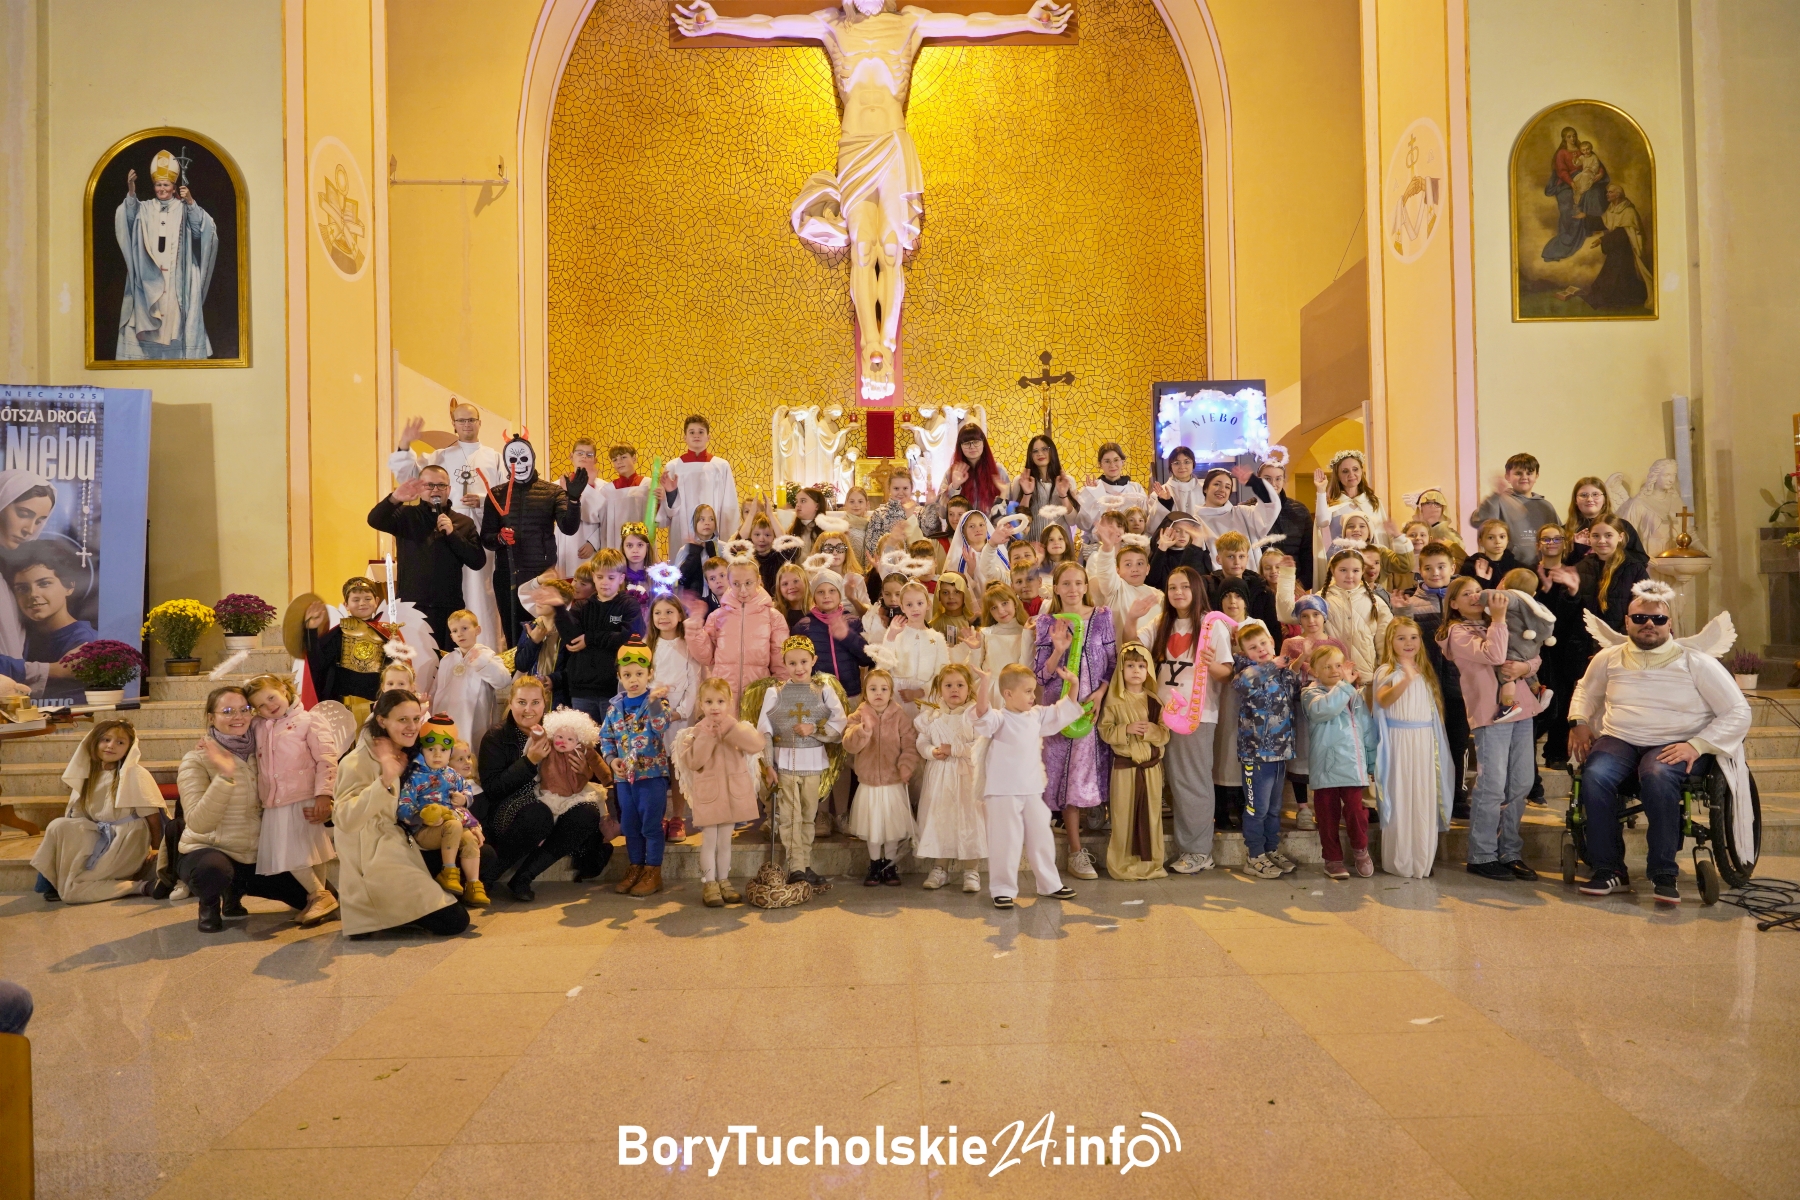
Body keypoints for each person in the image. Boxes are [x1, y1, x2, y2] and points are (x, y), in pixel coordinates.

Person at [1568, 584, 1752, 904]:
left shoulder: (1696, 662)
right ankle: (1610, 869)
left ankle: (1663, 871)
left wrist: (1697, 745)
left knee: (1656, 774)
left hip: (1676, 742)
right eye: (1639, 617)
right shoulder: (1608, 657)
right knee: (1595, 776)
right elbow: (1586, 690)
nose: (1648, 624)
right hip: (1620, 739)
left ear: (1670, 624)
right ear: (1626, 622)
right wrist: (1579, 721)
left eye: (1656, 618)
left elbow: (1737, 710)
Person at [333, 690, 471, 937]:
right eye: (402, 720)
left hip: (411, 837)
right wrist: (384, 780)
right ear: (382, 720)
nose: (412, 726)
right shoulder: (356, 761)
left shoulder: (413, 750)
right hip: (375, 856)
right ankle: (384, 914)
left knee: (484, 855)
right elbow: (344, 819)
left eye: (416, 719)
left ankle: (405, 911)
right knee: (456, 921)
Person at [174, 687, 313, 932]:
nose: (237, 717)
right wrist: (225, 776)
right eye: (227, 711)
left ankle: (235, 889)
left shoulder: (263, 752)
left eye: (244, 709)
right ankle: (209, 904)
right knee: (213, 871)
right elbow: (197, 822)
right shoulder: (195, 759)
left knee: (313, 897)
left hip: (256, 855)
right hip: (210, 849)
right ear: (211, 717)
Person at [1443, 579, 1541, 882]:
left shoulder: (1499, 623)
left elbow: (1532, 651)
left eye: (1477, 590)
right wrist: (1498, 619)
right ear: (1454, 604)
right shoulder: (1457, 633)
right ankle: (1482, 854)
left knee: (1521, 783)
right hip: (1491, 715)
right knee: (1493, 784)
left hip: (1522, 709)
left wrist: (1525, 669)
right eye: (1465, 594)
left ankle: (1510, 851)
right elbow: (1496, 656)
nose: (1474, 596)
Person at [477, 676, 608, 900]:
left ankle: (524, 877)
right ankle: (488, 877)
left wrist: (585, 771)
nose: (528, 709)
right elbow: (493, 788)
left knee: (587, 813)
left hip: (558, 797)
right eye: (521, 702)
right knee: (539, 814)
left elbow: (587, 764)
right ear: (510, 702)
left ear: (545, 703)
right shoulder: (496, 737)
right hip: (512, 806)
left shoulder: (559, 730)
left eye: (535, 702)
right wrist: (528, 761)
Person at [390, 405, 505, 649]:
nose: (466, 424)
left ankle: (483, 647)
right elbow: (408, 477)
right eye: (461, 420)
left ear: (479, 423)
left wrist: (484, 501)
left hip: (480, 530)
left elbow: (508, 495)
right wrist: (404, 446)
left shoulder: (494, 457)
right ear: (453, 423)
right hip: (443, 534)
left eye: (471, 419)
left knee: (480, 592)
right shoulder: (439, 456)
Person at [971, 662, 1084, 909]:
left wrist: (1073, 684)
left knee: (1041, 836)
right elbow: (982, 713)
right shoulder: (1000, 719)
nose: (1034, 696)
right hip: (1002, 791)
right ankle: (1002, 889)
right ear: (1008, 694)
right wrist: (984, 683)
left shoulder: (1037, 716)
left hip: (1032, 788)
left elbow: (1063, 710)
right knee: (1005, 840)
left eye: (1034, 691)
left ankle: (1049, 884)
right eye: (1028, 691)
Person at [1033, 562, 1117, 880]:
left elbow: (1111, 661)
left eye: (1077, 583)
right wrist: (1057, 651)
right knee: (1065, 780)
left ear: (1085, 586)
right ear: (1055, 588)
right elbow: (1041, 673)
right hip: (1058, 710)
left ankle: (1091, 832)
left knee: (1085, 775)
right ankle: (1074, 850)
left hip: (1091, 709)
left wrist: (1100, 693)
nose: (1071, 589)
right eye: (1065, 583)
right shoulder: (1047, 622)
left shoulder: (1102, 617)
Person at [32, 720, 164, 904]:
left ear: (128, 748)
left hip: (125, 838)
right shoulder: (89, 773)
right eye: (106, 739)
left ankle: (140, 886)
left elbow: (152, 815)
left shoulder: (135, 773)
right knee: (57, 825)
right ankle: (54, 882)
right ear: (94, 742)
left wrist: (157, 847)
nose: (111, 746)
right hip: (98, 833)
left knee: (71, 892)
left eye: (120, 742)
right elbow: (77, 814)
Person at [245, 674, 341, 927]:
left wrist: (324, 794)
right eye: (261, 705)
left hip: (304, 797)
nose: (269, 707)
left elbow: (326, 759)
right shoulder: (258, 725)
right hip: (275, 799)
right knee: (297, 852)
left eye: (271, 697)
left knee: (298, 852)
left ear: (283, 689)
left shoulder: (309, 720)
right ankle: (321, 900)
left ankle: (319, 896)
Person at [756, 636, 848, 886]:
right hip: (785, 763)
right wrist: (768, 765)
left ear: (814, 661)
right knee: (790, 816)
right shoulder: (774, 693)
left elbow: (840, 724)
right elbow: (763, 729)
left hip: (812, 763)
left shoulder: (824, 691)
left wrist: (815, 729)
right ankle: (795, 867)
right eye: (792, 662)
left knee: (808, 816)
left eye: (804, 662)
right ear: (784, 664)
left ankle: (804, 865)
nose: (799, 668)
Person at [112, 149, 219, 360]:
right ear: (154, 186)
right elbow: (128, 218)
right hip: (148, 278)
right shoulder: (146, 207)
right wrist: (131, 192)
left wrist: (190, 202)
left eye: (166, 185)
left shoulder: (183, 208)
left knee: (173, 323)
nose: (162, 189)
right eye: (158, 185)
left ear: (173, 187)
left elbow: (201, 231)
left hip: (176, 277)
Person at [367, 466, 486, 650]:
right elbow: (374, 520)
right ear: (421, 489)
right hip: (413, 605)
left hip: (449, 607)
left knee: (447, 663)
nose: (435, 490)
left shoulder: (463, 522)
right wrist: (395, 498)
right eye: (429, 485)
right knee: (415, 664)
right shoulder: (406, 516)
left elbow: (477, 561)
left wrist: (453, 534)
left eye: (440, 485)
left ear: (448, 489)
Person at [480, 434, 585, 641]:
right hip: (507, 575)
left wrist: (573, 500)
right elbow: (486, 538)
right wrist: (500, 538)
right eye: (512, 460)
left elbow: (569, 527)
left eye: (523, 459)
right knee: (513, 635)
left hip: (541, 575)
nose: (518, 465)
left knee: (545, 634)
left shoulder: (552, 492)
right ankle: (517, 672)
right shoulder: (496, 494)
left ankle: (545, 674)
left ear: (533, 458)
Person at [672, 677, 764, 906]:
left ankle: (724, 880)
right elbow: (693, 762)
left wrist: (731, 729)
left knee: (726, 841)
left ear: (729, 703)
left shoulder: (736, 727)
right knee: (709, 840)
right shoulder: (695, 732)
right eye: (709, 701)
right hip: (710, 795)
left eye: (720, 701)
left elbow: (756, 745)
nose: (715, 707)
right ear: (701, 705)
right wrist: (707, 737)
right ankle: (709, 883)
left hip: (732, 794)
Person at [1373, 619, 1454, 878]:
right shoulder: (1386, 671)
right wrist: (1406, 679)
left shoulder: (1425, 671)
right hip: (1399, 743)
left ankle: (1422, 860)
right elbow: (1383, 701)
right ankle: (1400, 861)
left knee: (1422, 797)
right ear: (1390, 642)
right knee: (1401, 797)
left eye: (1413, 637)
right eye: (1401, 638)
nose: (1408, 643)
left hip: (1423, 743)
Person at [1152, 567, 1219, 873]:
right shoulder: (1162, 622)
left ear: (1196, 589)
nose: (1178, 592)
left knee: (1193, 782)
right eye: (1172, 587)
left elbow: (1226, 672)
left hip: (1196, 714)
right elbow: (1132, 644)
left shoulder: (1210, 623)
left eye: (1184, 587)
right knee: (1176, 783)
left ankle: (1199, 852)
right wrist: (1128, 618)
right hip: (1164, 711)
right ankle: (1188, 848)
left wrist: (1212, 665)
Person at [599, 638, 675, 897]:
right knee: (630, 826)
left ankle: (653, 871)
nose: (634, 679)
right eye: (627, 674)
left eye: (640, 674)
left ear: (650, 674)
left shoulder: (657, 703)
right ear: (619, 675)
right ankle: (636, 867)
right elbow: (606, 739)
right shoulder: (614, 708)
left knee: (650, 825)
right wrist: (611, 761)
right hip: (624, 780)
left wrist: (654, 700)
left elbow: (662, 725)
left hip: (651, 776)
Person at [1232, 620, 1301, 880]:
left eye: (1263, 643)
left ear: (1272, 642)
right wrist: (1272, 665)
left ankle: (1271, 849)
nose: (1260, 649)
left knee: (1274, 809)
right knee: (1256, 809)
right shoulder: (1247, 671)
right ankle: (1255, 855)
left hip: (1281, 753)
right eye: (1252, 647)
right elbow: (1241, 685)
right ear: (1244, 653)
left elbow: (1297, 694)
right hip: (1255, 754)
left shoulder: (1284, 672)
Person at [395, 716, 488, 905]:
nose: (438, 755)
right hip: (425, 830)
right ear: (422, 750)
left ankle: (473, 884)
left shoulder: (452, 775)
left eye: (443, 750)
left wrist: (464, 799)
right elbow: (403, 806)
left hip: (451, 826)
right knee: (454, 825)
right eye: (431, 750)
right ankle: (448, 871)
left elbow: (467, 790)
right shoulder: (414, 777)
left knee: (469, 839)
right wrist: (421, 817)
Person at [1099, 641, 1168, 881]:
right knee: (1123, 815)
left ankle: (1150, 865)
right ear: (1121, 669)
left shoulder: (1154, 701)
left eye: (1141, 665)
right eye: (1130, 665)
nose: (1136, 670)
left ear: (1148, 668)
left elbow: (1164, 735)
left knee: (1151, 815)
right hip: (1125, 769)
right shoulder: (1114, 700)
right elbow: (1105, 731)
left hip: (1150, 769)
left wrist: (1150, 731)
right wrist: (1126, 728)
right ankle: (1122, 864)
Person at [843, 669, 919, 886]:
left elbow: (909, 744)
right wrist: (862, 731)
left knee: (892, 827)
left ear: (891, 692)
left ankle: (889, 865)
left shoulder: (900, 716)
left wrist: (906, 765)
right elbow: (849, 744)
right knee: (873, 826)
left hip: (892, 781)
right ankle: (875, 864)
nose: (878, 693)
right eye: (873, 689)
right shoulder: (857, 716)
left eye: (884, 689)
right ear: (865, 693)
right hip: (869, 784)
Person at [686, 554, 788, 705]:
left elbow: (781, 663)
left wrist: (780, 694)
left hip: (758, 696)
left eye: (748, 583)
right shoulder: (717, 616)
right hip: (723, 697)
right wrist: (694, 629)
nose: (743, 590)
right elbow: (706, 657)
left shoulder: (774, 617)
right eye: (736, 583)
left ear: (758, 580)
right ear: (729, 582)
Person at [10, 547, 98, 692]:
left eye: (44, 583)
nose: (33, 594)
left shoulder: (85, 642)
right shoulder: (19, 636)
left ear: (69, 586)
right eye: (22, 588)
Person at [431, 610, 512, 752]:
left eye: (465, 628)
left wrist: (481, 662)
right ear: (451, 636)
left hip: (475, 719)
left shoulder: (486, 655)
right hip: (446, 718)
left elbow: (503, 680)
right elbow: (437, 689)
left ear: (477, 630)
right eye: (455, 631)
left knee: (472, 753)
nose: (460, 633)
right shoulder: (446, 660)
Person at [657, 414, 741, 552]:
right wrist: (670, 493)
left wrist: (729, 538)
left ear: (708, 437)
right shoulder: (673, 467)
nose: (696, 435)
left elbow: (729, 504)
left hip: (714, 532)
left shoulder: (721, 466)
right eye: (692, 432)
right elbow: (668, 512)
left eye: (701, 432)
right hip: (682, 532)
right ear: (685, 437)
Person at [303, 578, 392, 705]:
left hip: (379, 702)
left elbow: (396, 668)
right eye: (356, 600)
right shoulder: (338, 633)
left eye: (367, 598)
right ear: (346, 605)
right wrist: (311, 631)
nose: (362, 603)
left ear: (376, 601)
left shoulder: (387, 633)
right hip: (344, 703)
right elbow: (318, 664)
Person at [1470, 454, 1560, 566]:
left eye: (1529, 473)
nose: (1524, 477)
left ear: (1537, 476)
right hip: (1508, 567)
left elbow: (1559, 536)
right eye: (1518, 473)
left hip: (1540, 566)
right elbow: (1477, 521)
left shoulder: (1546, 507)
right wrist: (1495, 495)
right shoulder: (1498, 500)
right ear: (1507, 476)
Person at [922, 423, 1010, 533]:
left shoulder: (998, 471)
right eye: (966, 443)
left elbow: (1008, 515)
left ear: (983, 443)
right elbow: (942, 513)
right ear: (960, 446)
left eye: (976, 442)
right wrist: (954, 486)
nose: (972, 446)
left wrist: (1003, 495)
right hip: (959, 537)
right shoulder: (952, 473)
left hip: (991, 537)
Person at [1574, 519, 1648, 634]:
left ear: (1620, 537)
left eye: (1608, 535)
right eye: (1595, 536)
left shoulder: (1634, 569)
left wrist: (1619, 637)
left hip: (1621, 640)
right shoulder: (1580, 568)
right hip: (1585, 642)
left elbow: (1644, 608)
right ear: (1589, 538)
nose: (1601, 541)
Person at [1315, 450, 1393, 549]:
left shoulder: (1373, 501)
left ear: (1361, 471)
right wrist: (1321, 490)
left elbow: (1382, 535)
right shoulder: (1331, 502)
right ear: (1338, 476)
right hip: (1343, 558)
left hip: (1370, 558)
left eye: (1355, 469)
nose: (1351, 474)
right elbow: (1322, 522)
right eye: (1345, 471)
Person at [1256, 461, 1314, 591]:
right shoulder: (1247, 510)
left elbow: (1308, 551)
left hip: (1295, 584)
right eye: (1267, 479)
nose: (1273, 483)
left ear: (1284, 480)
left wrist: (1303, 583)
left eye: (1278, 478)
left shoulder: (1299, 510)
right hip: (1261, 587)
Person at [1009, 434, 1077, 540]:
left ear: (1052, 451)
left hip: (1060, 545)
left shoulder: (1067, 481)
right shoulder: (1020, 481)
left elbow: (1073, 521)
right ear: (1030, 455)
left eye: (1045, 449)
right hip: (1032, 544)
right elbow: (1018, 522)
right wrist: (1027, 494)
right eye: (1035, 451)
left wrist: (1063, 496)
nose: (1040, 454)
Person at [1562, 476, 1644, 565]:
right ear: (1575, 500)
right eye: (1583, 495)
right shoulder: (1562, 531)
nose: (1589, 499)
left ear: (1604, 499)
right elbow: (1558, 565)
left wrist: (1610, 550)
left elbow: (1641, 559)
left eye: (1595, 494)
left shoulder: (1622, 526)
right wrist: (1577, 546)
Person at [554, 439, 605, 577]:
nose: (584, 457)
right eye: (580, 453)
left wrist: (594, 542)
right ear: (571, 456)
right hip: (565, 544)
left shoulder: (604, 487)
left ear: (595, 459)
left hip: (588, 545)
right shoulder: (557, 484)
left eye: (589, 455)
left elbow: (606, 519)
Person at [1458, 519, 1524, 584]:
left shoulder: (1518, 567)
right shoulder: (1471, 566)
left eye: (1502, 537)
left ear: (1508, 539)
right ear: (1480, 541)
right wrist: (1481, 580)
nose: (1498, 541)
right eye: (1490, 538)